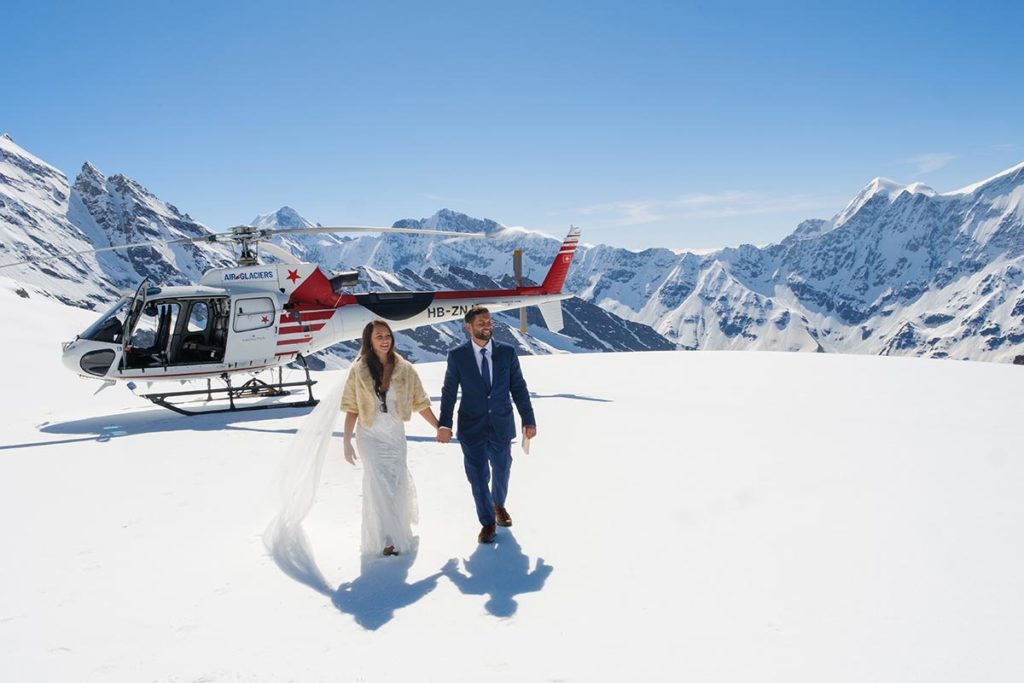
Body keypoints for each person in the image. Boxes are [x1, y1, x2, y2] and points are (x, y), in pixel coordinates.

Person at [437, 306, 536, 544]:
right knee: (478, 477)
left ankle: (498, 504)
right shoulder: (457, 356)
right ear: (468, 327)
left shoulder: (508, 353)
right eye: (481, 322)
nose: (487, 326)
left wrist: (528, 419)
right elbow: (449, 392)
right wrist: (444, 424)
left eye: (489, 322)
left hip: (501, 423)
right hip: (472, 426)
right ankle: (488, 522)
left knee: (502, 470)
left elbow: (519, 387)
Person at [342, 320, 440, 557]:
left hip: (395, 436)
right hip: (369, 434)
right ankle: (385, 538)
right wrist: (346, 441)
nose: (385, 340)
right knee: (377, 484)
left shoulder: (405, 369)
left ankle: (396, 532)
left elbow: (421, 402)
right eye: (379, 336)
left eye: (387, 335)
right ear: (370, 341)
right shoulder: (359, 369)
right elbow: (352, 407)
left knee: (395, 484)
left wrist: (439, 426)